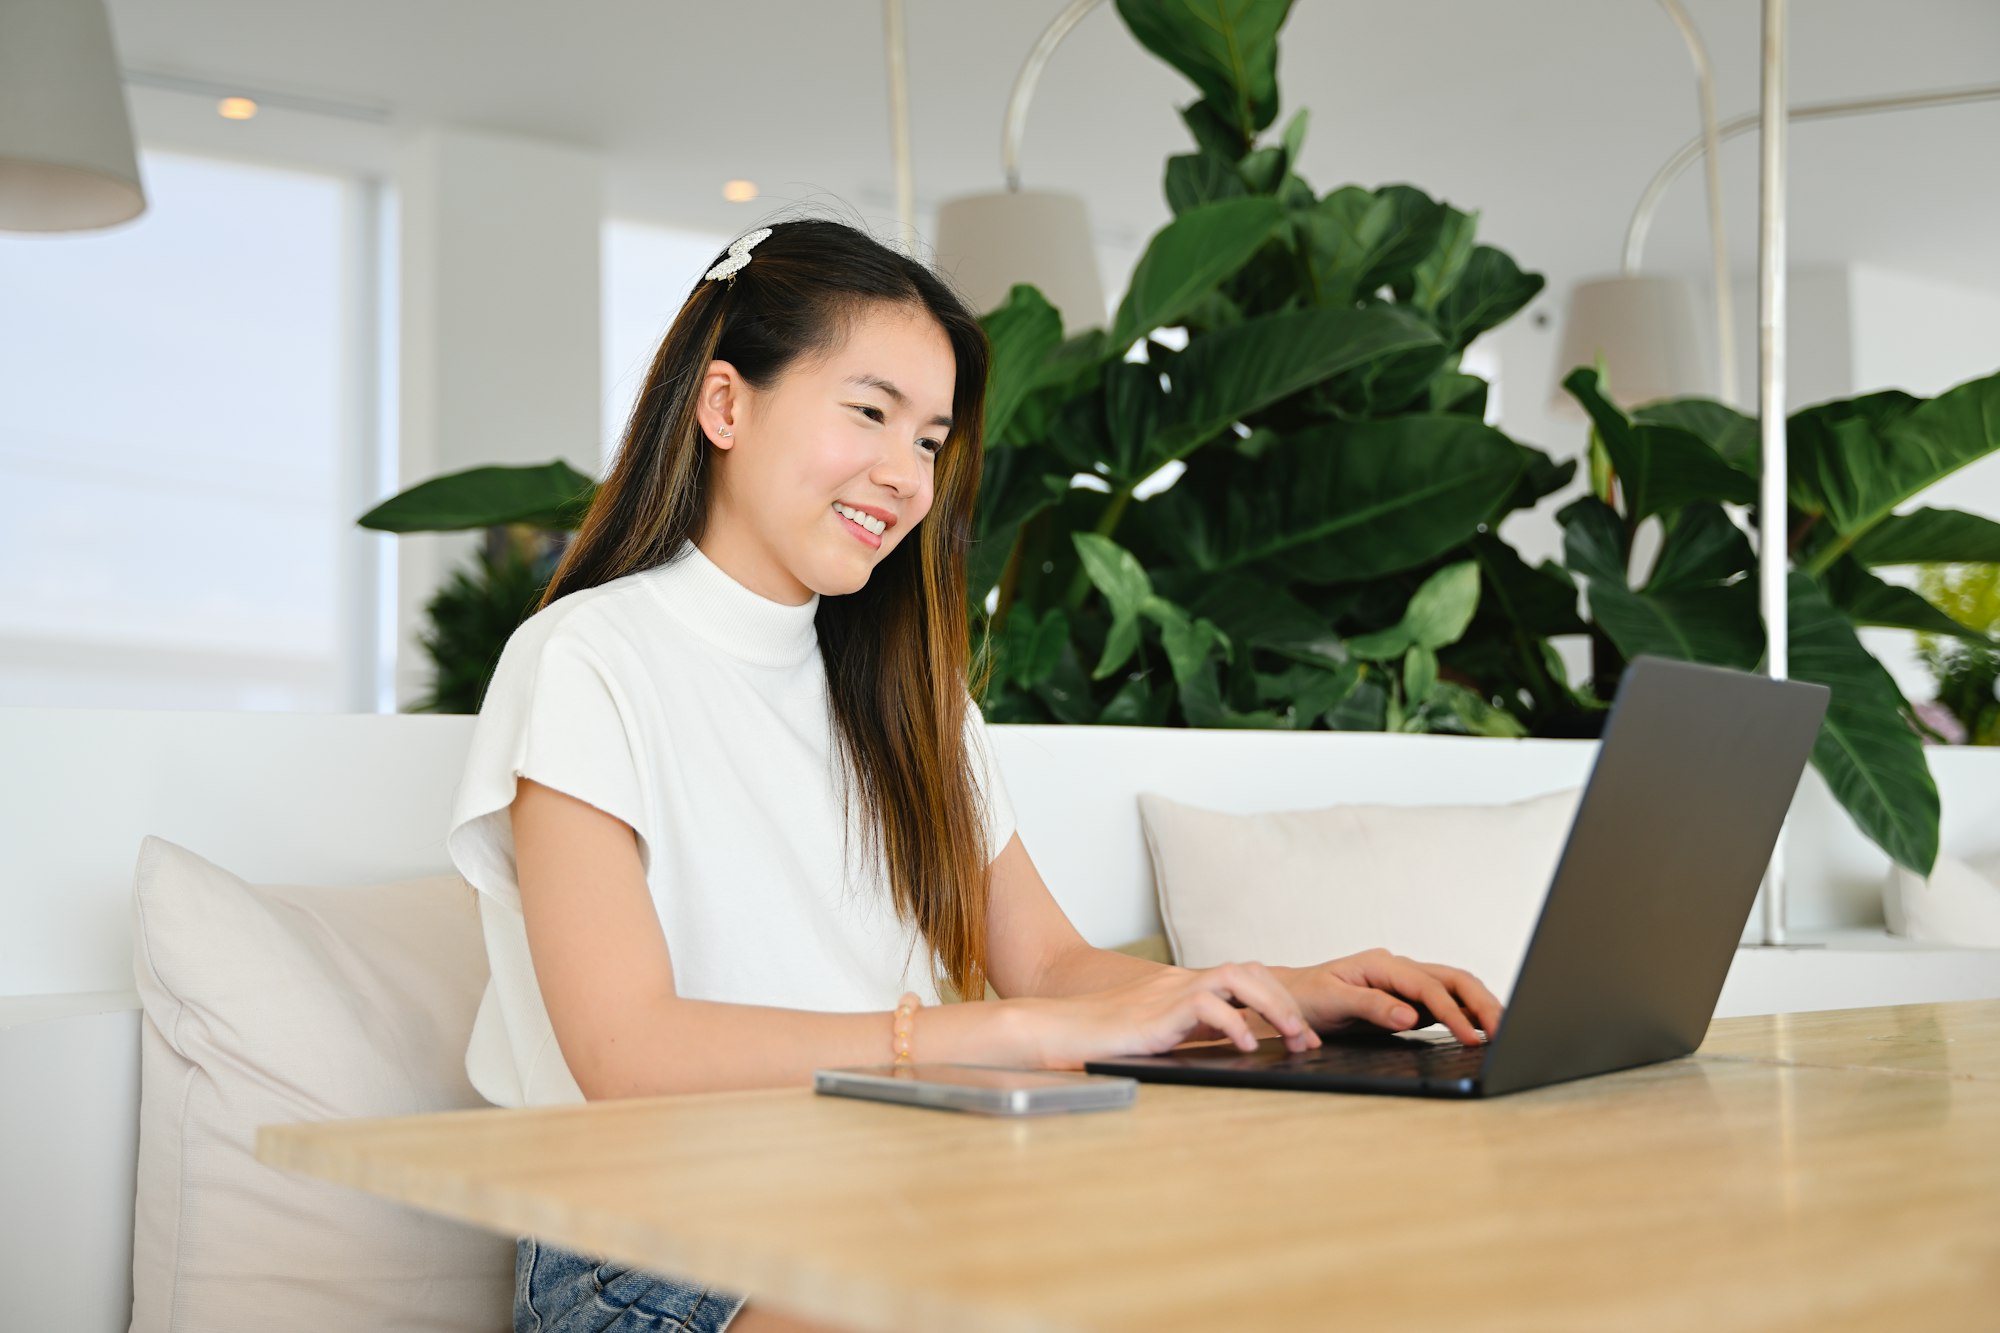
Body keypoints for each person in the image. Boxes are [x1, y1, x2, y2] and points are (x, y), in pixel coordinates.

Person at [445, 215, 1503, 1333]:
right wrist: (978, 1038)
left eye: (929, 441)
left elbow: (1045, 962)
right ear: (724, 405)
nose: (903, 476)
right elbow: (627, 1050)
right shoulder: (588, 659)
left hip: (898, 1188)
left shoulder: (910, 690)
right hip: (656, 1243)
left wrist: (1280, 994)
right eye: (869, 413)